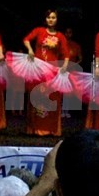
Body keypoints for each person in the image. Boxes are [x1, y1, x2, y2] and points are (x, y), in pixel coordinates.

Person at [23, 9, 69, 137]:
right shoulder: (39, 31)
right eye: (49, 17)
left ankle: (50, 128)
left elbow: (66, 55)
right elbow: (26, 39)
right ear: (45, 19)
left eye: (53, 17)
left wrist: (64, 67)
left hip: (52, 71)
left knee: (51, 98)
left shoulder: (60, 36)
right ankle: (35, 128)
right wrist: (31, 50)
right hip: (38, 70)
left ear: (57, 20)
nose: (51, 20)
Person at [62, 27, 82, 119]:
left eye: (70, 32)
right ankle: (61, 110)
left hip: (71, 71)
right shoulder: (60, 43)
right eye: (66, 32)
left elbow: (80, 58)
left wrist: (75, 64)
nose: (68, 34)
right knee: (61, 90)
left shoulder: (76, 45)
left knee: (69, 91)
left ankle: (67, 111)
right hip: (62, 69)